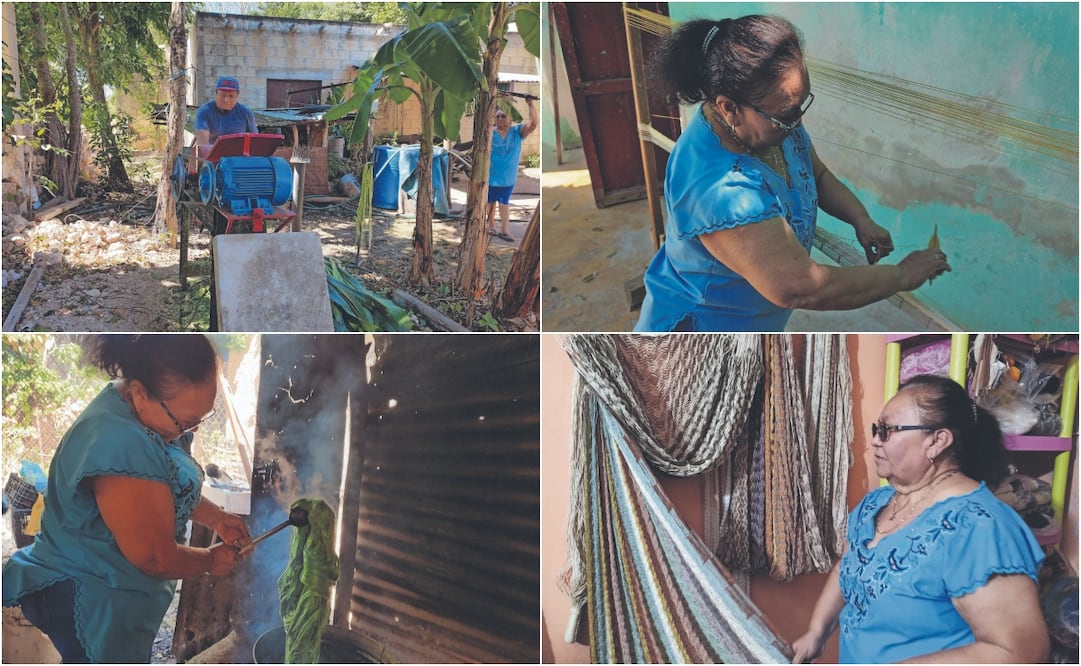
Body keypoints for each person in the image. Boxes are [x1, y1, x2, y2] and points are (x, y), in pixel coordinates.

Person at [635, 16, 951, 331]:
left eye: (801, 105)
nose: (797, 122)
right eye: (787, 114)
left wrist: (860, 218)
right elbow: (801, 287)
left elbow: (818, 175)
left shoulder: (776, 125)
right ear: (729, 108)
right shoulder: (718, 187)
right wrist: (902, 276)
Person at [2, 334, 252, 663]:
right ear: (140, 392)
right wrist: (210, 560)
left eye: (201, 418)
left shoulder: (146, 412)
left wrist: (217, 517)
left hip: (119, 593)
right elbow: (154, 557)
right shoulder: (121, 442)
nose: (190, 430)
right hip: (91, 597)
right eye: (187, 422)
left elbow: (164, 486)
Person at [791, 373, 1049, 664]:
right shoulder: (876, 503)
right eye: (877, 429)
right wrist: (817, 632)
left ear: (937, 441)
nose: (875, 440)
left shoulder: (979, 527)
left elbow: (1020, 652)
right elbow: (848, 566)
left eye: (887, 430)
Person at [487, 94, 538, 243]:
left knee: (504, 202)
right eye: (498, 117)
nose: (500, 119)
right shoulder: (490, 133)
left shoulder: (517, 133)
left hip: (507, 178)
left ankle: (505, 230)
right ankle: (491, 226)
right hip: (490, 177)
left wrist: (530, 104)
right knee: (490, 202)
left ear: (510, 119)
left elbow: (533, 124)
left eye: (503, 116)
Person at [194, 76, 257, 147]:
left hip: (239, 153)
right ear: (216, 94)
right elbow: (202, 144)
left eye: (231, 96)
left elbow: (255, 141)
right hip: (213, 152)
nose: (226, 100)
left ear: (237, 96)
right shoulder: (204, 112)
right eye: (223, 95)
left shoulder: (246, 113)